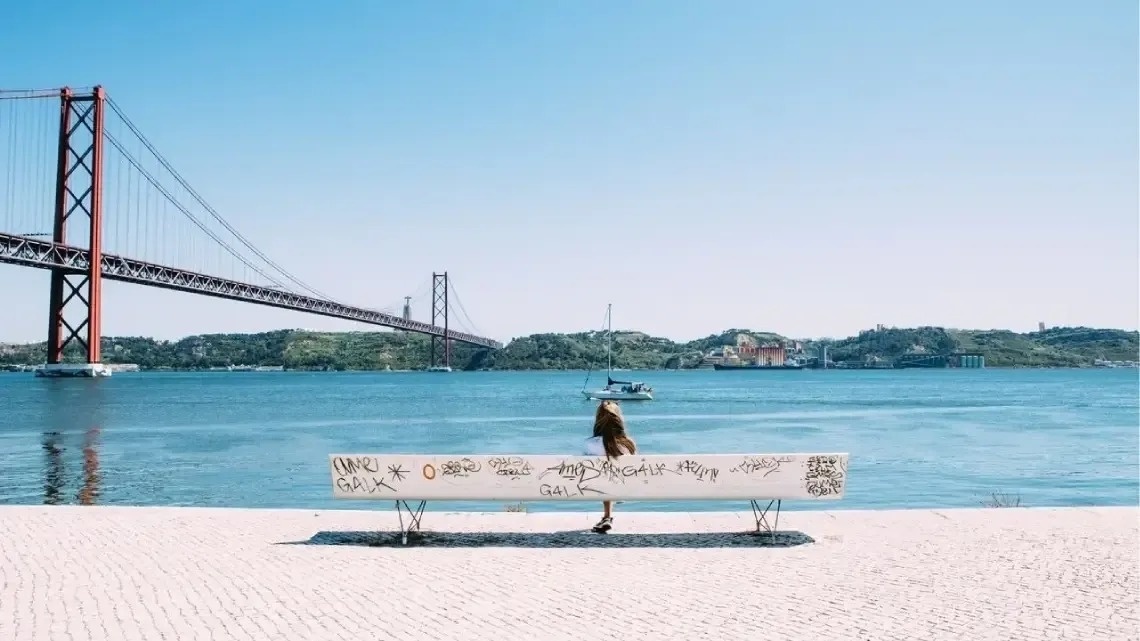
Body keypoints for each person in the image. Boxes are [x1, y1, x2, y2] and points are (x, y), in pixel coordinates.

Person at [583, 399, 637, 533]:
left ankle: (607, 516)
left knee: (604, 479)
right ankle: (607, 517)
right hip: (624, 486)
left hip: (595, 487)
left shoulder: (590, 444)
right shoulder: (628, 445)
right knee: (610, 479)